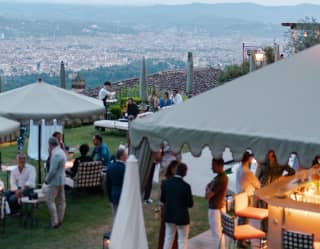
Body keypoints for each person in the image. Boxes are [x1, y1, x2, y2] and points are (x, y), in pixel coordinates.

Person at [161, 162, 193, 249]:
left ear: (176, 171)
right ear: (185, 173)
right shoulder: (186, 186)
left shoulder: (166, 183)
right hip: (182, 216)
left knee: (168, 238)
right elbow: (190, 204)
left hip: (169, 215)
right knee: (182, 240)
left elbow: (162, 200)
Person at [205, 158, 228, 249]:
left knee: (216, 234)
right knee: (218, 234)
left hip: (215, 209)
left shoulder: (220, 179)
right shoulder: (218, 177)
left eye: (213, 165)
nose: (211, 167)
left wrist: (208, 189)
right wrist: (208, 188)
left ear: (219, 165)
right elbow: (208, 186)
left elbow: (207, 195)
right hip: (218, 207)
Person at [45, 136, 67, 229]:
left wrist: (47, 180)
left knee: (50, 200)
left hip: (55, 181)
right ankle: (60, 219)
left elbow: (52, 170)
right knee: (61, 201)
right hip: (62, 180)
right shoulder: (61, 151)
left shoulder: (56, 154)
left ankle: (55, 221)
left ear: (50, 145)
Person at [157, 160, 180, 249]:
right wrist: (159, 209)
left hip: (175, 208)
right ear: (171, 168)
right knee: (165, 230)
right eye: (174, 168)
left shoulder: (178, 180)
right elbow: (161, 197)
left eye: (177, 168)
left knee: (175, 231)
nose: (175, 170)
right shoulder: (165, 180)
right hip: (167, 207)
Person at [106, 147, 128, 225]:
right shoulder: (126, 168)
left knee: (115, 215)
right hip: (124, 195)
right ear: (122, 156)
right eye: (126, 155)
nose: (127, 156)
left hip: (114, 194)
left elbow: (108, 184)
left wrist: (110, 197)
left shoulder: (110, 167)